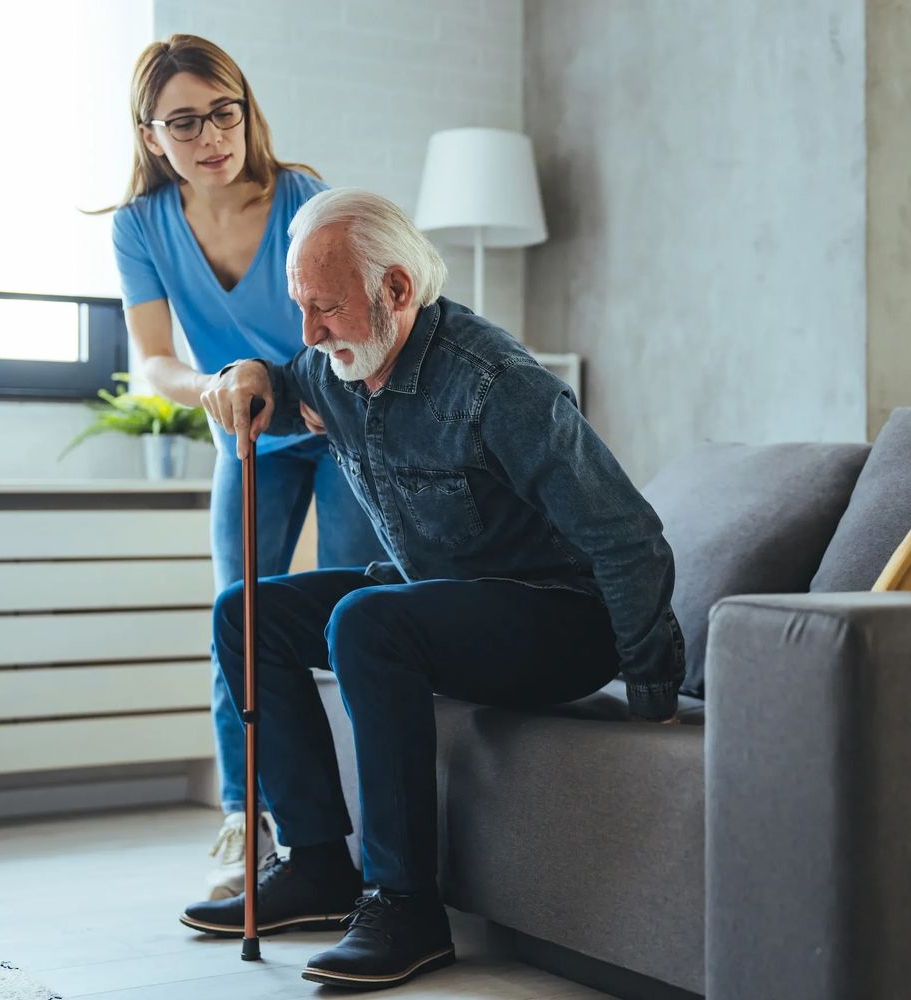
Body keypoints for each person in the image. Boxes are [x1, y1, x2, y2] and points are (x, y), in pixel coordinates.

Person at [180, 189, 685, 990]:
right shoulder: (338, 364)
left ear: (397, 291)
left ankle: (407, 908)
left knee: (368, 623)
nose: (310, 330)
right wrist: (249, 376)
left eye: (326, 308)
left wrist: (655, 685)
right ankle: (316, 864)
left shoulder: (498, 384)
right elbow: (287, 382)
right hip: (443, 594)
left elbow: (628, 536)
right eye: (298, 306)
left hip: (556, 615)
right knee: (249, 613)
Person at [108, 35, 383, 900]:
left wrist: (288, 379)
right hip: (245, 431)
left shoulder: (304, 196)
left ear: (245, 107)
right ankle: (248, 819)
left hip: (338, 424)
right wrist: (215, 383)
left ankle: (361, 822)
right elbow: (152, 360)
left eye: (223, 110)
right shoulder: (141, 226)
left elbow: (356, 325)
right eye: (183, 122)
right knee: (240, 619)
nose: (210, 135)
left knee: (352, 612)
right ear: (153, 137)